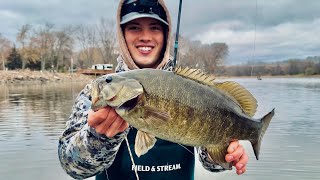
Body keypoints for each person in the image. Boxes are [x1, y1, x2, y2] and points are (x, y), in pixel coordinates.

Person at [58, 0, 249, 179]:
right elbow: (72, 167)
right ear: (122, 35)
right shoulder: (94, 95)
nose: (145, 37)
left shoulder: (190, 88)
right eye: (134, 28)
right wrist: (97, 139)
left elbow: (210, 163)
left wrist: (225, 156)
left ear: (166, 35)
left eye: (155, 28)